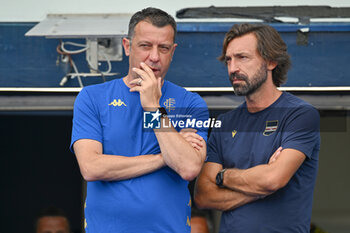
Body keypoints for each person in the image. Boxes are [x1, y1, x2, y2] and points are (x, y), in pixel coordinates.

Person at [70, 7, 208, 233]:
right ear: (127, 46)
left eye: (163, 48)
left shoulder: (191, 103)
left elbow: (189, 167)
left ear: (172, 51)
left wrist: (153, 107)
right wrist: (164, 158)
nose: (154, 57)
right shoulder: (92, 98)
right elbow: (91, 167)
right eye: (145, 46)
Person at [194, 23, 320, 233]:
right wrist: (260, 188)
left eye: (242, 57)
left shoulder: (300, 115)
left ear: (271, 61)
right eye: (228, 60)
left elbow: (272, 179)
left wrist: (222, 177)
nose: (233, 68)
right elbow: (203, 196)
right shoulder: (224, 123)